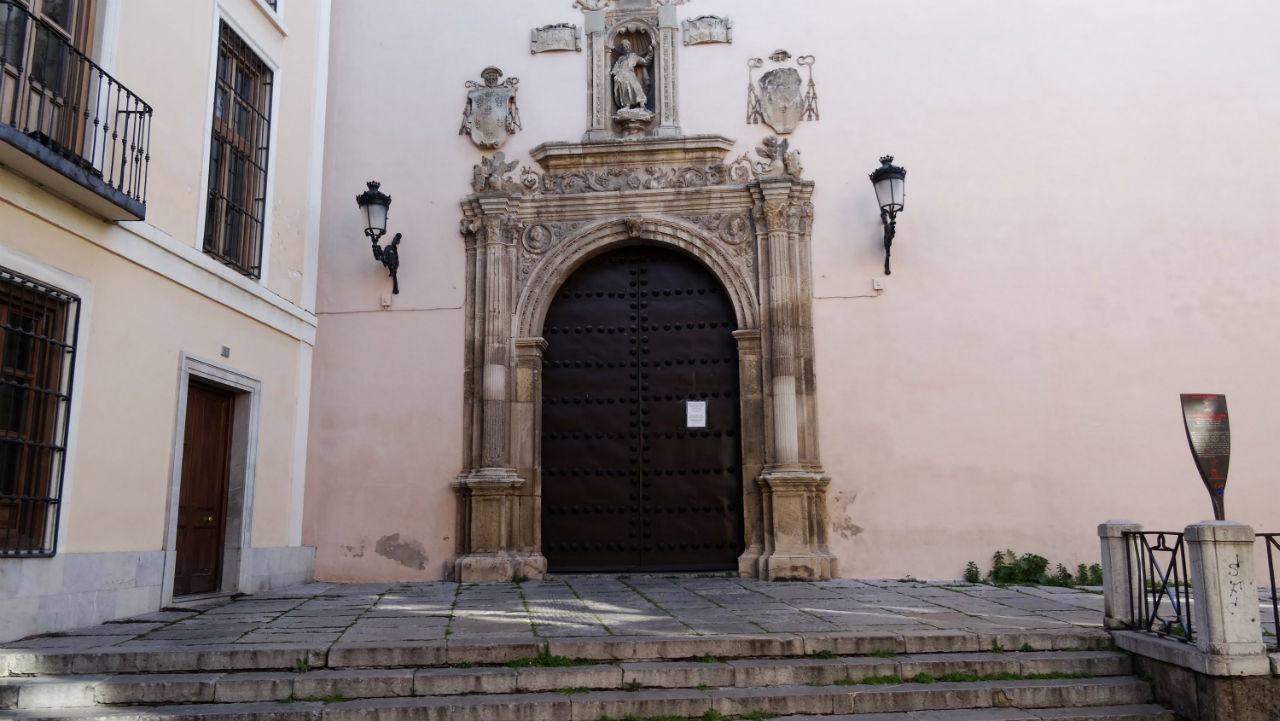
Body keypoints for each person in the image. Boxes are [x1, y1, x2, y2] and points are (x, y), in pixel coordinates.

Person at [611, 39, 651, 110]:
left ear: (630, 46)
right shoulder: (621, 58)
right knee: (625, 91)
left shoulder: (634, 56)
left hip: (630, 75)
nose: (626, 48)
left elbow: (645, 61)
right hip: (622, 76)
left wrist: (650, 52)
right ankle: (627, 105)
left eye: (627, 46)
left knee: (637, 88)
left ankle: (642, 104)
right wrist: (614, 71)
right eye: (624, 47)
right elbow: (616, 66)